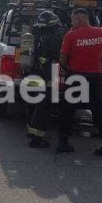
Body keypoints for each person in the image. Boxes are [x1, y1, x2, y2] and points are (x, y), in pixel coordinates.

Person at [57, 8, 102, 156]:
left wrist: (67, 69)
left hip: (76, 76)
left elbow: (62, 59)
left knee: (67, 110)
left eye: (72, 19)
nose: (71, 22)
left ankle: (63, 142)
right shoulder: (101, 33)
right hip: (94, 78)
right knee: (98, 111)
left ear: (79, 19)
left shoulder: (71, 35)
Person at [26, 11, 65, 148]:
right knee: (45, 106)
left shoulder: (36, 34)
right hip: (49, 72)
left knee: (35, 103)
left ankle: (31, 131)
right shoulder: (56, 35)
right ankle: (37, 139)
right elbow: (60, 55)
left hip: (35, 72)